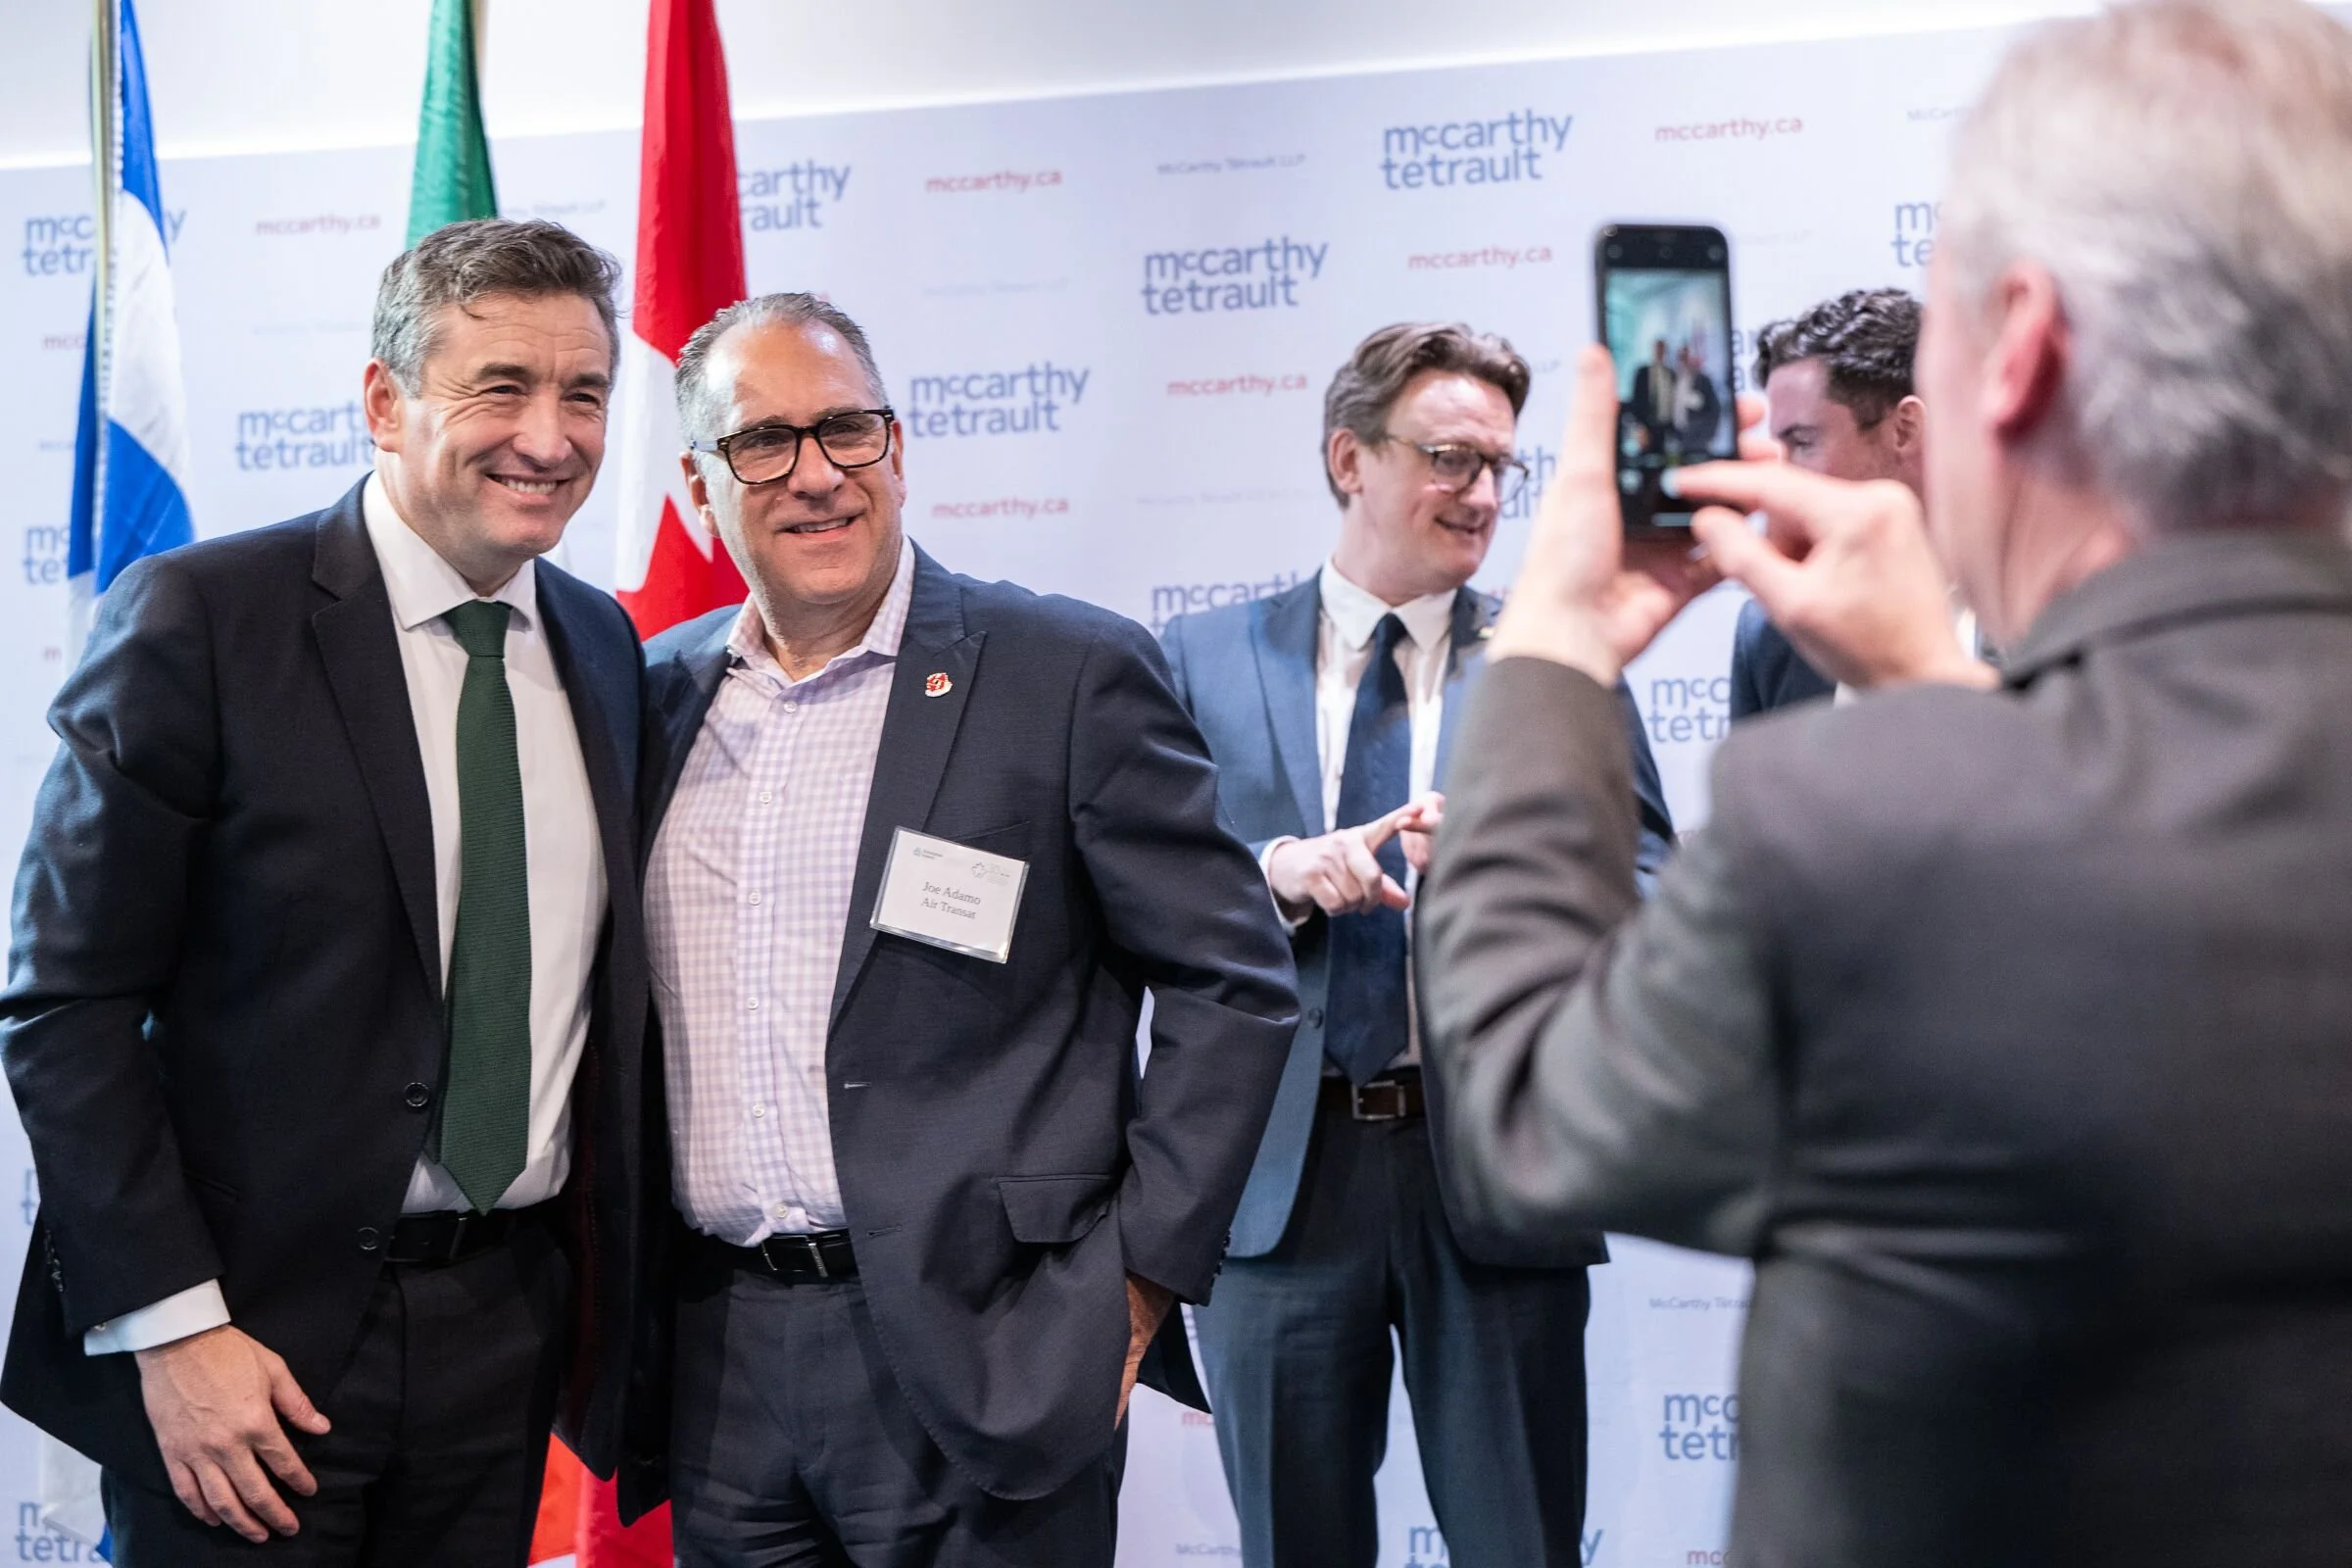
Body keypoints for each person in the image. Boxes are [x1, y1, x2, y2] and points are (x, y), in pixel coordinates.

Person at [1417, 2, 2352, 1563]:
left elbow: (1526, 1110)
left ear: (2023, 351)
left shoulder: (1853, 825)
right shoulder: (1912, 782)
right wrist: (1950, 694)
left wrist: (1566, 635)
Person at [0, 219, 652, 1565]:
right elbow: (63, 1002)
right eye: (501, 389)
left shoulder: (602, 643)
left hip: (505, 1336)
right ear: (383, 400)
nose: (550, 435)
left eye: (583, 393)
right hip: (247, 1347)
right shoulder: (202, 619)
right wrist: (171, 1330)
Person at [617, 292, 1298, 1567]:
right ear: (699, 490)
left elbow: (1233, 981)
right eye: (763, 443)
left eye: (846, 431)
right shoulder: (648, 698)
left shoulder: (1063, 673)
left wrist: (1136, 1286)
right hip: (719, 1366)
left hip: (985, 1346)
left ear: (899, 448)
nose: (816, 475)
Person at [1160, 322, 1673, 1568]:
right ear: (1351, 457)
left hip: (1491, 1176)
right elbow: (1142, 895)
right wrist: (1279, 874)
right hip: (1277, 1189)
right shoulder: (1199, 658)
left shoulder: (1562, 668)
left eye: (1502, 466)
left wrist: (1525, 875)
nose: (1486, 495)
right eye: (1451, 458)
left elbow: (1654, 884)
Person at [1730, 289, 1927, 717]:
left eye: (1802, 443)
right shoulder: (1770, 634)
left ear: (1904, 429)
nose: (1778, 477)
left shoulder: (2036, 612)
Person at [1628, 337, 1679, 453]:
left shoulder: (1671, 373)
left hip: (1664, 426)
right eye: (1657, 349)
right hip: (1646, 425)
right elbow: (1636, 400)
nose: (1660, 352)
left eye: (1662, 349)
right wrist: (1639, 425)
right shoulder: (1642, 372)